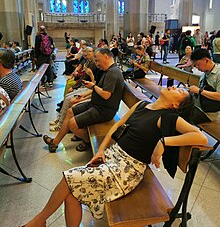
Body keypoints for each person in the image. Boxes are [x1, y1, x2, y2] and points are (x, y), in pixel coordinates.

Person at [22, 87, 208, 227]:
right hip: (112, 156)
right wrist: (101, 150)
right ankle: (39, 222)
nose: (173, 87)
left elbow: (200, 136)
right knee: (71, 194)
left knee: (68, 178)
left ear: (176, 105)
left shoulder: (169, 117)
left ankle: (38, 222)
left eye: (178, 90)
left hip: (127, 170)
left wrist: (164, 142)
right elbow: (114, 129)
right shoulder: (142, 105)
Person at [43, 48, 124, 152]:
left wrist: (93, 86)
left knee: (72, 123)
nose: (97, 64)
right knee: (70, 111)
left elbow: (106, 95)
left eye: (98, 60)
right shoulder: (108, 71)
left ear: (106, 57)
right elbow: (100, 88)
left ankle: (87, 141)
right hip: (95, 104)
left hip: (104, 110)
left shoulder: (113, 73)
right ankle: (55, 143)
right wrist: (85, 95)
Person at [189, 48, 220, 124]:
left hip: (211, 114)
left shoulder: (218, 74)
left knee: (180, 119)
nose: (196, 67)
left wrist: (199, 91)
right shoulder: (204, 74)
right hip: (199, 107)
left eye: (197, 64)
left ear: (206, 60)